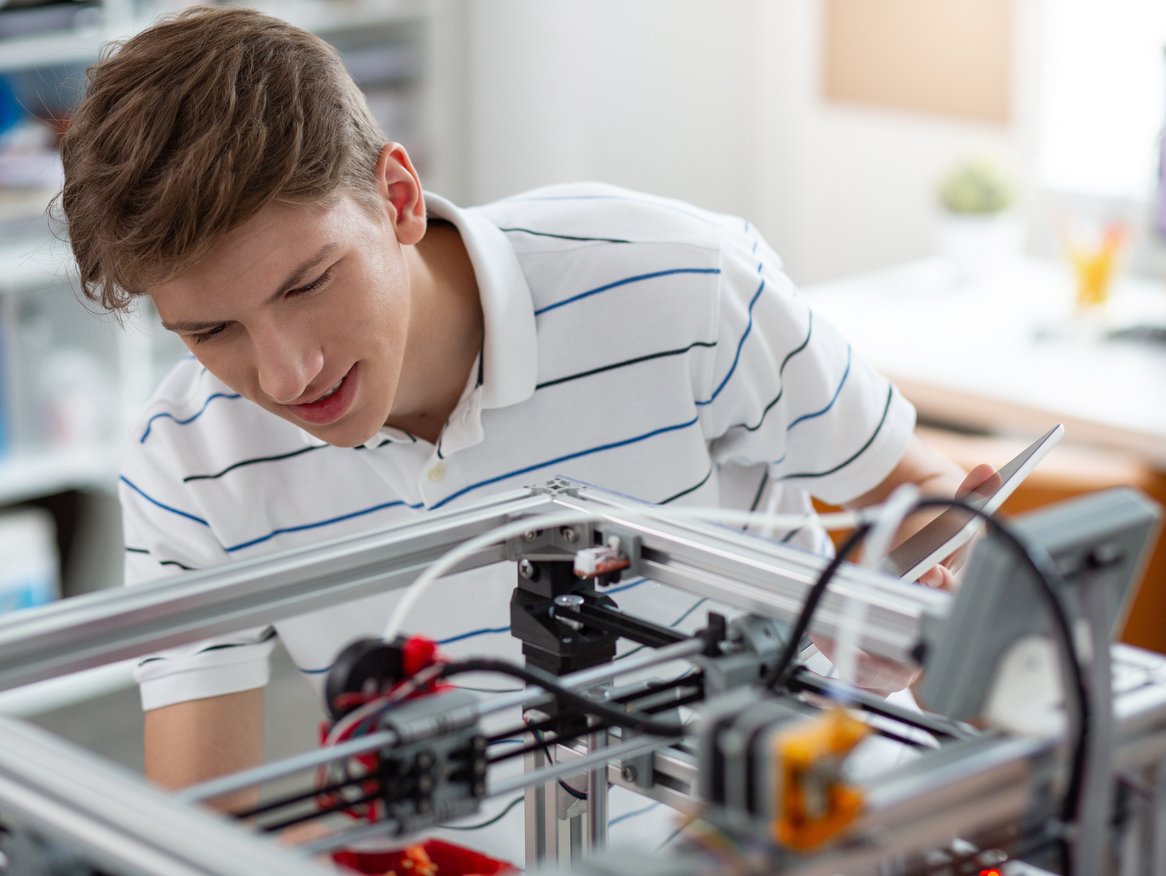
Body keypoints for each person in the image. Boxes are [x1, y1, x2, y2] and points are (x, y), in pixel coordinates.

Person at [56, 5, 983, 820]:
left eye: (308, 283)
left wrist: (893, 619)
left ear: (398, 197)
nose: (287, 373)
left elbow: (920, 492)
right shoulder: (184, 461)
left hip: (790, 829)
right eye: (213, 329)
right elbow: (203, 821)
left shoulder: (681, 280)